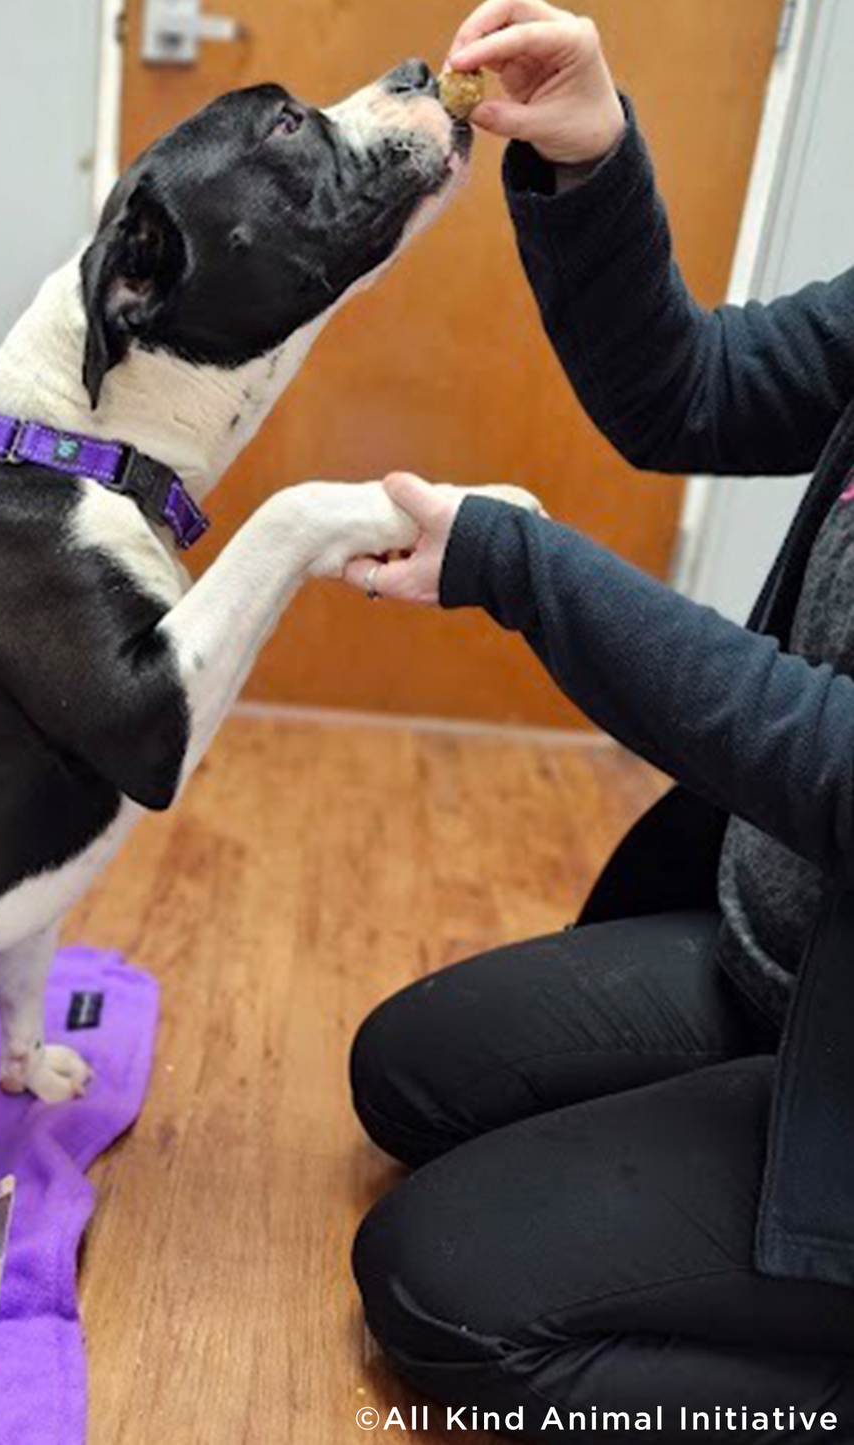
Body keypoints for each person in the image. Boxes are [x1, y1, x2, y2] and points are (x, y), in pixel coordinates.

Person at [342, 2, 854, 1440]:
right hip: (794, 955)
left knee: (435, 1287)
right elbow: (693, 389)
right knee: (413, 1074)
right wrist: (590, 159)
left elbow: (834, 754)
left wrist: (520, 566)